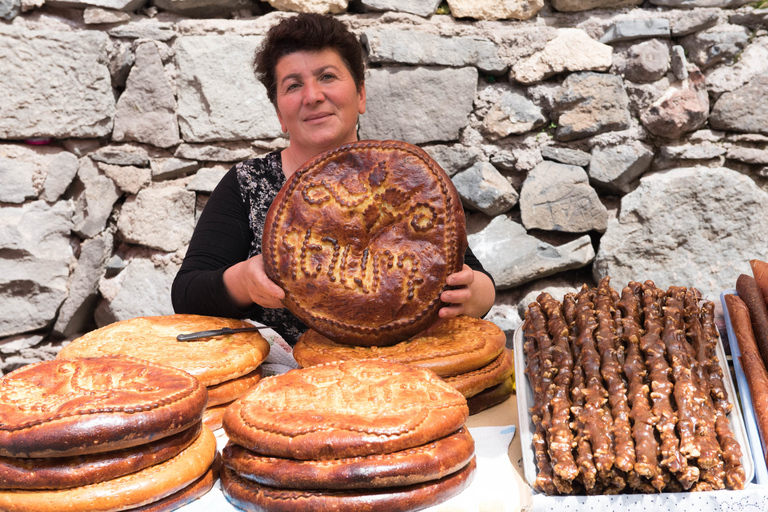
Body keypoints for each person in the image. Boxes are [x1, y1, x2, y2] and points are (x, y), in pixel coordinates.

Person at [172, 13, 496, 345]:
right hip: (285, 382)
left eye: (327, 76)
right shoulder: (249, 183)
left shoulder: (410, 181)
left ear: (361, 95)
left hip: (396, 378)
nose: (312, 96)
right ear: (279, 113)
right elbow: (186, 294)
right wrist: (242, 281)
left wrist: (470, 296)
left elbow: (475, 283)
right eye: (293, 85)